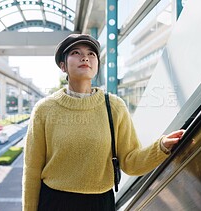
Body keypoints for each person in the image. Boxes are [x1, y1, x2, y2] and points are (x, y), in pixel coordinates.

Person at [22, 34, 185, 211]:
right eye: (76, 52)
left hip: (100, 204)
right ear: (63, 66)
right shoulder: (44, 109)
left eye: (91, 54)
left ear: (97, 65)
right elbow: (31, 170)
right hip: (55, 202)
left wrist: (161, 147)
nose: (85, 57)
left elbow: (130, 162)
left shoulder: (114, 106)